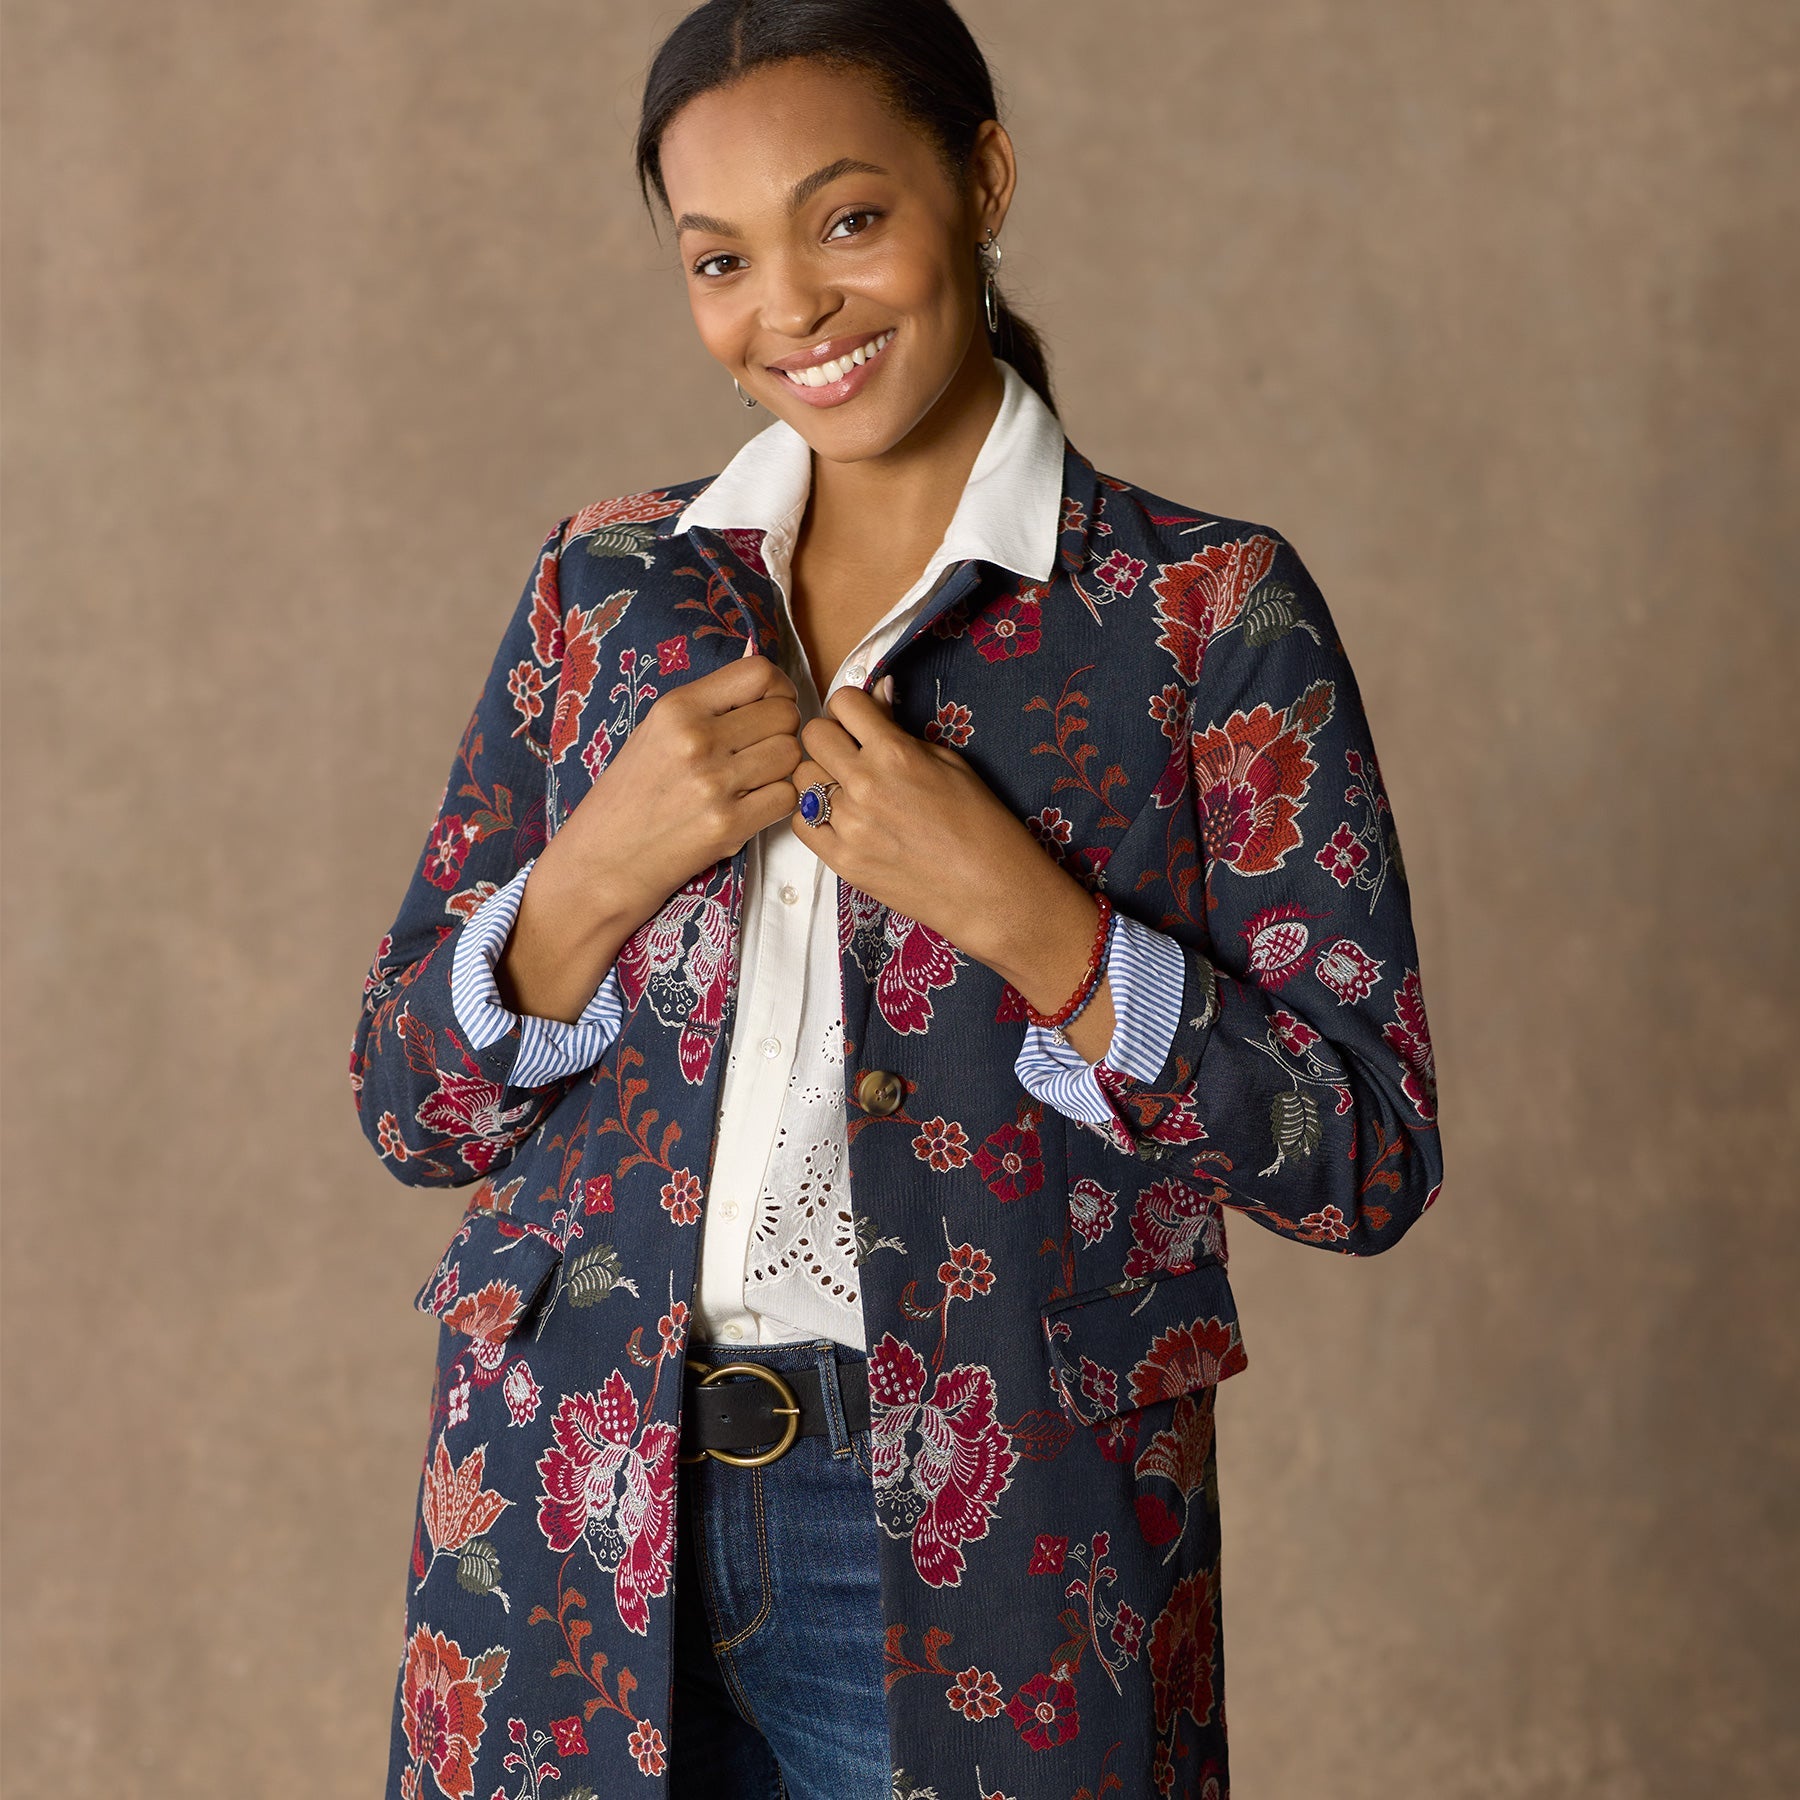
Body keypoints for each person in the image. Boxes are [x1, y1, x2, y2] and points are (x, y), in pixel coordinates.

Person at [349, 2, 1444, 1795]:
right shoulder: (606, 589)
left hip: (1001, 1546)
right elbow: (409, 1106)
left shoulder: (1199, 613)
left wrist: (1045, 933)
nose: (791, 306)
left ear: (983, 179)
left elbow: (1364, 1157)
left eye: (848, 219)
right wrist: (591, 877)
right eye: (721, 259)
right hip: (567, 1507)